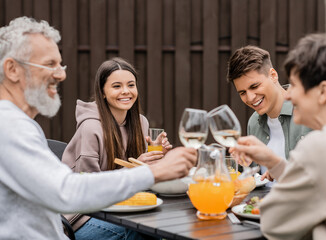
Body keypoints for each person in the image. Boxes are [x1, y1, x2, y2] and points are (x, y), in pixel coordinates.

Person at [0, 16, 197, 240]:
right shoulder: (9, 125)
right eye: (49, 64)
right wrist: (152, 171)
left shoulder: (19, 125)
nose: (62, 74)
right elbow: (67, 191)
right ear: (12, 69)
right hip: (84, 220)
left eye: (60, 64)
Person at [230, 34, 326, 239]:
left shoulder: (319, 145)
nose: (288, 94)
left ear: (323, 91)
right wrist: (276, 164)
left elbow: (274, 222)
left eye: (295, 85)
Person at [61, 57, 172, 238]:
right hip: (80, 218)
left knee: (160, 225)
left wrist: (156, 157)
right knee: (143, 232)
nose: (126, 91)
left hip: (124, 211)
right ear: (102, 92)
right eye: (117, 86)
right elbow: (87, 189)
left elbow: (140, 186)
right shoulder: (90, 128)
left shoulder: (140, 123)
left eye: (131, 85)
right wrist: (135, 170)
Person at [227, 45, 311, 181]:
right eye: (242, 93)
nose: (250, 98)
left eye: (254, 86)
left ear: (273, 75)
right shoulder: (253, 123)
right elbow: (251, 178)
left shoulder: (309, 111)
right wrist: (240, 164)